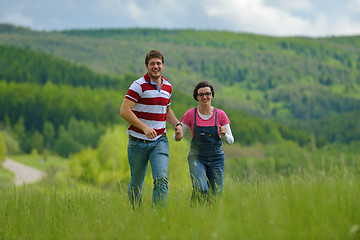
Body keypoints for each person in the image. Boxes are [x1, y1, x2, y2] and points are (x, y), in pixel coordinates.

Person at [120, 49, 183, 208]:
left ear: (163, 65)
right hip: (137, 142)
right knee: (136, 184)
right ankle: (137, 215)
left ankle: (157, 218)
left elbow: (166, 110)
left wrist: (177, 124)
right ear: (146, 66)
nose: (156, 66)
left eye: (158, 63)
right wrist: (144, 127)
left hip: (159, 141)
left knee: (161, 179)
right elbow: (124, 111)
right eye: (152, 64)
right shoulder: (138, 85)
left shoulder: (168, 86)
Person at [175, 81, 234, 205]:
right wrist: (177, 134)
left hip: (217, 157)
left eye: (207, 94)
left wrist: (225, 135)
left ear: (212, 95)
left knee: (215, 195)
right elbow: (178, 137)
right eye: (201, 95)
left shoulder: (221, 115)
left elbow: (231, 140)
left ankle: (208, 218)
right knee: (201, 188)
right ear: (196, 97)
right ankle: (194, 212)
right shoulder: (190, 114)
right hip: (197, 157)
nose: (204, 97)